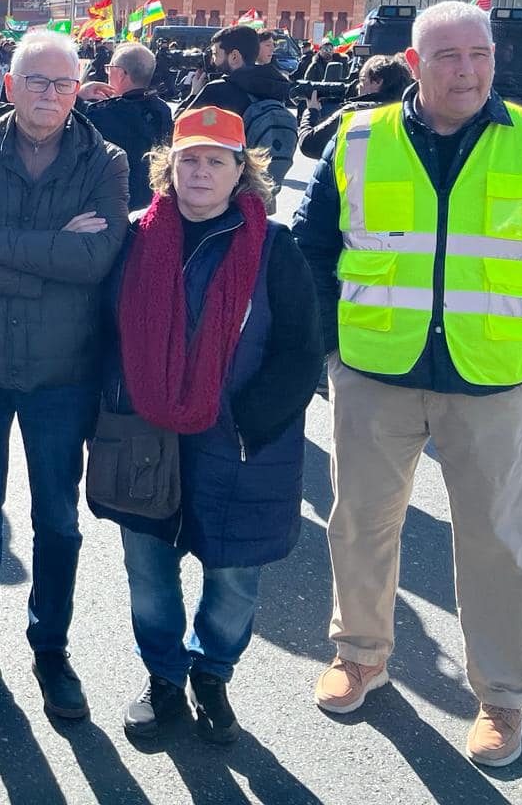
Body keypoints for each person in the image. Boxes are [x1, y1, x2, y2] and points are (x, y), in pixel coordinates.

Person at [293, 0, 522, 768]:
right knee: (359, 522)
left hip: (492, 374)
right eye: (448, 57)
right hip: (375, 369)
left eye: (478, 54)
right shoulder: (359, 138)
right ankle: (360, 652)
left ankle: (502, 697)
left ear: (494, 58)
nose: (466, 70)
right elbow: (310, 249)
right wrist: (330, 348)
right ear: (413, 65)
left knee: (498, 542)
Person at [100, 106, 321, 743]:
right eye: (188, 159)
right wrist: (116, 405)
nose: (200, 171)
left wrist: (251, 423)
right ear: (168, 168)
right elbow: (103, 332)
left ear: (240, 172)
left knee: (233, 579)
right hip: (145, 434)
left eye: (215, 160)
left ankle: (213, 672)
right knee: (149, 571)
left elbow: (301, 350)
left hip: (240, 442)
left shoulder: (274, 246)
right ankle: (165, 676)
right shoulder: (134, 235)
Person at [0, 30, 128, 718]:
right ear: (10, 86)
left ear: (82, 89)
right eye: (37, 82)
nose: (50, 94)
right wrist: (48, 262)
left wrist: (0, 245)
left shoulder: (105, 160)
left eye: (63, 83)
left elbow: (96, 259)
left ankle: (51, 647)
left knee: (58, 520)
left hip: (61, 373)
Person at [180, 25, 298, 190]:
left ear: (234, 56)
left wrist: (194, 94)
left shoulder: (218, 90)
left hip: (223, 192)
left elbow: (178, 129)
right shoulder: (275, 86)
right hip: (262, 189)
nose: (212, 61)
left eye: (216, 54)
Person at [78, 41, 174, 208]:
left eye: (110, 68)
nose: (107, 72)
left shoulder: (100, 114)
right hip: (153, 202)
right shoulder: (163, 110)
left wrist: (78, 98)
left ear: (121, 74)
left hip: (110, 206)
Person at [297, 54, 414, 160]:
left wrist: (312, 111)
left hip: (357, 183)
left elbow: (309, 145)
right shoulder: (411, 114)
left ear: (377, 81)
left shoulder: (355, 113)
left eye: (362, 80)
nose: (358, 86)